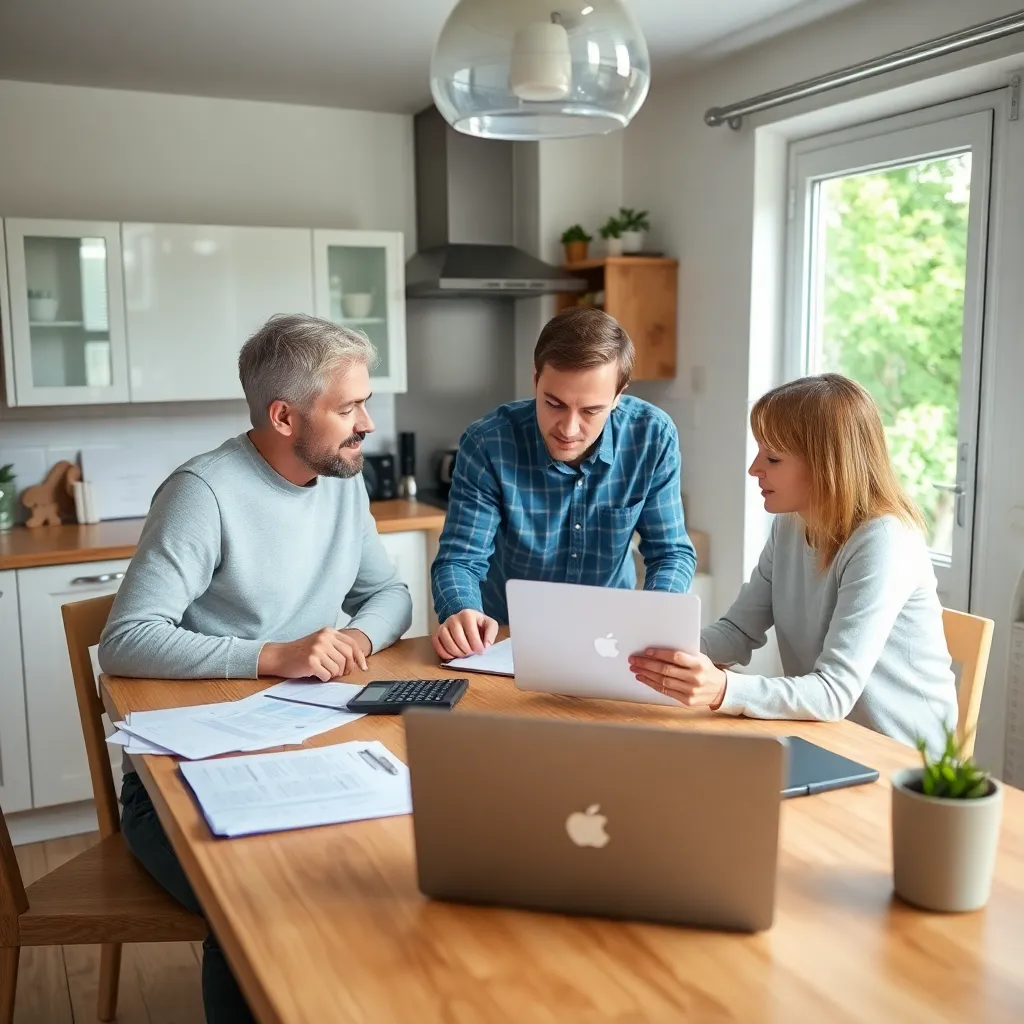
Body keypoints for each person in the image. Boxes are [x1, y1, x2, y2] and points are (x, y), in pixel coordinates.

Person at [99, 313, 412, 1023]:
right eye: (349, 406)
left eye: (365, 402)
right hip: (178, 781)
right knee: (259, 901)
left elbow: (389, 594)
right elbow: (126, 639)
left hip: (305, 743)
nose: (367, 423)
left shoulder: (341, 480)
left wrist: (356, 641)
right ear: (283, 416)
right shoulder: (202, 493)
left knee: (377, 872)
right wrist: (274, 654)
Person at [628, 373, 958, 753]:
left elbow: (834, 692)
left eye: (772, 457)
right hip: (827, 739)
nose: (755, 468)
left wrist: (722, 689)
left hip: (903, 759)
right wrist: (661, 655)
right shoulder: (790, 524)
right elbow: (738, 630)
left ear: (826, 465)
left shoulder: (883, 541)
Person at [431, 306, 696, 661]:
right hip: (507, 640)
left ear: (619, 396)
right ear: (536, 378)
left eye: (590, 411)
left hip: (611, 640)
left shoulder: (651, 436)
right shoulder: (489, 444)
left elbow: (670, 552)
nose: (569, 429)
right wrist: (460, 610)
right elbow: (460, 560)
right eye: (554, 404)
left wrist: (656, 619)